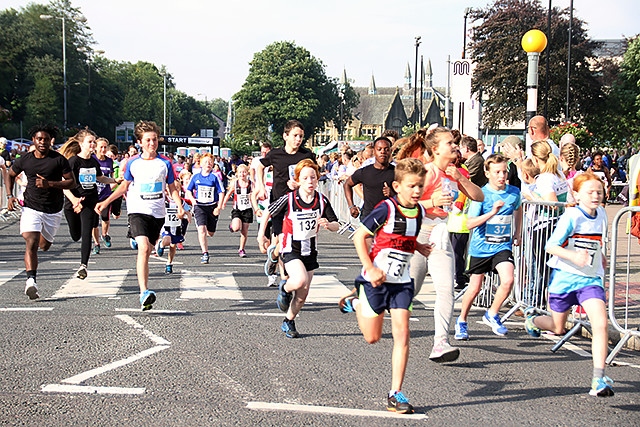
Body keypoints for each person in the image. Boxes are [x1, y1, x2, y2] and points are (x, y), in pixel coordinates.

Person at [338, 158, 433, 414]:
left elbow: (402, 240)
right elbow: (361, 236)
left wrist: (418, 247)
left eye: (420, 186)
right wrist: (369, 268)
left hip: (401, 283)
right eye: (412, 186)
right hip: (376, 281)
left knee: (403, 333)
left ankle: (395, 392)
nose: (416, 191)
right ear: (397, 186)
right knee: (373, 338)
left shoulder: (420, 212)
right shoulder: (386, 208)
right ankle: (357, 300)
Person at [525, 172, 613, 397]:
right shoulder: (572, 216)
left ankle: (598, 379)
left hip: (590, 279)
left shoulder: (602, 213)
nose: (595, 196)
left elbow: (596, 242)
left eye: (599, 192)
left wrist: (600, 255)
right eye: (590, 192)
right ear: (576, 194)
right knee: (557, 327)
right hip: (564, 279)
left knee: (601, 324)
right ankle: (533, 319)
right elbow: (551, 246)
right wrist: (574, 257)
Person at [410, 127, 484, 362]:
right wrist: (431, 200)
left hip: (441, 234)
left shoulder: (455, 173)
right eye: (450, 143)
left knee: (446, 288)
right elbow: (403, 202)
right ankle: (370, 304)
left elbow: (479, 196)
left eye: (455, 143)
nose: (455, 146)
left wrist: (461, 178)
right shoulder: (427, 172)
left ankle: (440, 341)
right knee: (408, 290)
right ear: (435, 149)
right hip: (420, 234)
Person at [95, 121, 185, 310]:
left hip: (157, 214)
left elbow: (172, 188)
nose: (152, 143)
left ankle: (139, 241)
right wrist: (106, 201)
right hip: (137, 211)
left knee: (149, 247)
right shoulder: (133, 163)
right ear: (140, 142)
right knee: (144, 248)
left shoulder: (165, 163)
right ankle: (144, 292)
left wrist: (179, 205)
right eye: (148, 140)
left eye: (154, 140)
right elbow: (124, 187)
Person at [257, 159, 339, 338]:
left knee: (302, 296)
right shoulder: (290, 199)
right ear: (298, 180)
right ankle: (285, 288)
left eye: (313, 177)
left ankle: (289, 321)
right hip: (290, 248)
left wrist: (327, 224)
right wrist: (261, 234)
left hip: (310, 250)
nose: (310, 181)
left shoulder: (321, 200)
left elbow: (336, 224)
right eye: (306, 178)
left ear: (317, 179)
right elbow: (268, 212)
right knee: (300, 280)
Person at [454, 154, 522, 338]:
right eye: (497, 172)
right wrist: (492, 212)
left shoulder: (514, 192)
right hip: (481, 247)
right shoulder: (482, 195)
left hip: (502, 246)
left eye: (504, 172)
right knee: (475, 288)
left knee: (508, 280)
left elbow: (518, 208)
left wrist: (518, 232)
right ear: (487, 173)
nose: (502, 176)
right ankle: (461, 320)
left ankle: (492, 313)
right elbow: (470, 223)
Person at [5, 124, 76, 299]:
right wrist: (9, 196)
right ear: (34, 141)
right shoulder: (25, 159)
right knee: (31, 241)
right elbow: (10, 174)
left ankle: (33, 269)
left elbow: (71, 183)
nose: (42, 142)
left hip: (53, 209)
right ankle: (31, 281)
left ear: (50, 141)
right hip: (31, 206)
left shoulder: (58, 160)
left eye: (45, 139)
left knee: (44, 246)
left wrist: (50, 184)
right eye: (39, 139)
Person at [255, 120, 316, 284]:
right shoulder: (275, 154)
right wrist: (260, 186)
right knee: (282, 242)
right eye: (295, 136)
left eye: (301, 136)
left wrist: (300, 184)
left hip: (299, 205)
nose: (298, 139)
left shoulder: (306, 155)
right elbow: (259, 166)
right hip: (279, 203)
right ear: (285, 136)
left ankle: (278, 266)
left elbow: (315, 174)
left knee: (288, 243)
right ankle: (282, 273)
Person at [59, 130, 119, 279]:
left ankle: (83, 265)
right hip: (73, 203)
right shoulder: (73, 161)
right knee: (76, 235)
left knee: (87, 233)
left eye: (94, 141)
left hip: (89, 201)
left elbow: (99, 177)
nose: (93, 144)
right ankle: (76, 234)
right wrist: (73, 201)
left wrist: (115, 181)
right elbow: (64, 185)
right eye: (90, 142)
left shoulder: (93, 162)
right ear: (81, 144)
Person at [185, 153, 225, 264]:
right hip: (199, 207)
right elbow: (188, 190)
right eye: (206, 162)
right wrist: (193, 201)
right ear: (201, 164)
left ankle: (209, 230)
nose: (208, 164)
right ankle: (205, 253)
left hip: (212, 207)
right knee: (201, 229)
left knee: (210, 232)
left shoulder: (215, 177)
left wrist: (219, 207)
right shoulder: (196, 176)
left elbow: (221, 192)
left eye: (210, 162)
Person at [344, 137, 395, 220]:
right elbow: (347, 184)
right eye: (379, 149)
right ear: (374, 152)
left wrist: (392, 194)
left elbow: (405, 196)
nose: (383, 152)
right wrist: (351, 206)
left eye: (386, 149)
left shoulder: (397, 172)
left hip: (390, 218)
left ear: (390, 151)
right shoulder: (364, 172)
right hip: (368, 217)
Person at [220, 164, 254, 257]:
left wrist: (256, 207)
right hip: (237, 209)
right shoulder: (235, 184)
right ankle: (232, 226)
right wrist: (223, 203)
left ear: (247, 173)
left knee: (244, 231)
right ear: (237, 174)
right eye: (240, 172)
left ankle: (241, 249)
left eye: (244, 172)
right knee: (236, 228)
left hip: (247, 209)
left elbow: (254, 196)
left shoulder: (251, 184)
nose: (242, 174)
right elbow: (228, 194)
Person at [156, 190, 191, 274]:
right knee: (167, 240)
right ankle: (161, 244)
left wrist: (186, 215)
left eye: (178, 190)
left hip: (176, 226)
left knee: (173, 245)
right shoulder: (163, 200)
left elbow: (188, 211)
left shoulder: (181, 202)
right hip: (165, 225)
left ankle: (169, 263)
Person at [91, 137, 117, 253]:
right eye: (100, 147)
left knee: (105, 217)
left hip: (105, 194)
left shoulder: (109, 161)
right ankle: (96, 243)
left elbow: (111, 177)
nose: (103, 149)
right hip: (93, 194)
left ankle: (104, 234)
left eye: (105, 147)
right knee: (94, 221)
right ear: (96, 148)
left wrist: (115, 182)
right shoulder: (91, 159)